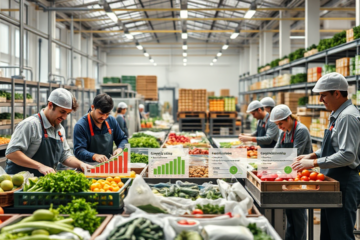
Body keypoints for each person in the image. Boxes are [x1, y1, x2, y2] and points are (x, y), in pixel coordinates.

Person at [291, 73, 360, 240]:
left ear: (337, 93)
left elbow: (347, 155)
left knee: (341, 234)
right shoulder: (336, 114)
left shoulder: (347, 117)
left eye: (323, 95)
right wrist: (312, 154)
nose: (320, 99)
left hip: (345, 182)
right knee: (329, 234)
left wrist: (313, 162)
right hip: (333, 181)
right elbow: (334, 147)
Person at [5, 88, 93, 176]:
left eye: (68, 113)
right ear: (50, 105)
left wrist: (81, 164)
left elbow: (64, 155)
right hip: (21, 183)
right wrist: (40, 166)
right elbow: (11, 153)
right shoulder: (31, 124)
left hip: (42, 183)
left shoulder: (60, 129)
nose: (64, 117)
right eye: (62, 112)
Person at [271, 104, 312, 240]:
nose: (279, 127)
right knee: (289, 211)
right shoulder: (284, 133)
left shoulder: (301, 130)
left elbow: (295, 156)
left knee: (298, 213)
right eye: (277, 124)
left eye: (281, 123)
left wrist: (275, 163)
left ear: (288, 118)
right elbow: (276, 152)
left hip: (302, 176)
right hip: (288, 174)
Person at [73, 93, 128, 163]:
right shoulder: (81, 126)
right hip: (87, 170)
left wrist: (120, 149)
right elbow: (79, 151)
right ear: (93, 107)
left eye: (107, 114)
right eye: (101, 113)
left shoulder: (111, 120)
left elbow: (122, 139)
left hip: (107, 168)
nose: (104, 117)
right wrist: (94, 156)